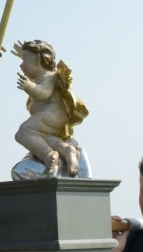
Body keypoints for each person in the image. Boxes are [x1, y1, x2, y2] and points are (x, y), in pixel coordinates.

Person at [12, 40, 88, 177]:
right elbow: (34, 66)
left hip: (52, 113)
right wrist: (24, 55)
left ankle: (48, 155)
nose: (21, 65)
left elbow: (43, 93)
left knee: (23, 132)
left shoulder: (49, 76)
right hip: (51, 116)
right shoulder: (42, 74)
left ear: (37, 61)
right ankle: (67, 151)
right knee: (43, 137)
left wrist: (29, 86)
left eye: (24, 60)